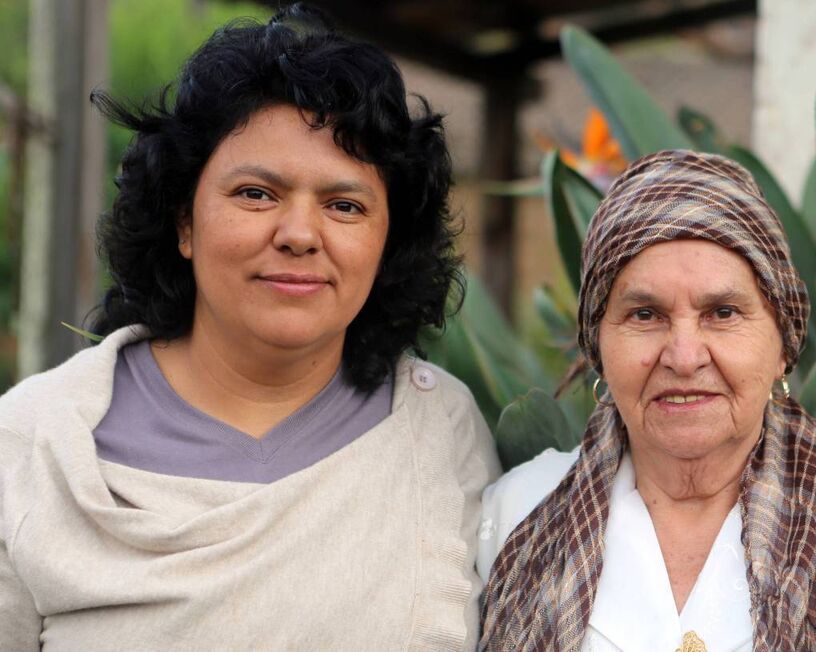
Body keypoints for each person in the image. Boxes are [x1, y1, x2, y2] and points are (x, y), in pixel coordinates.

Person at [0, 5, 499, 649]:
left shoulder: (440, 431)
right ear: (183, 221)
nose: (297, 235)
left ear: (387, 244)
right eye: (256, 194)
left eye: (344, 205)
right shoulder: (31, 446)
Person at [476, 150, 816, 651]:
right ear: (599, 344)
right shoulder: (517, 515)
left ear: (782, 344)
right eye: (644, 314)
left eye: (723, 312)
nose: (683, 356)